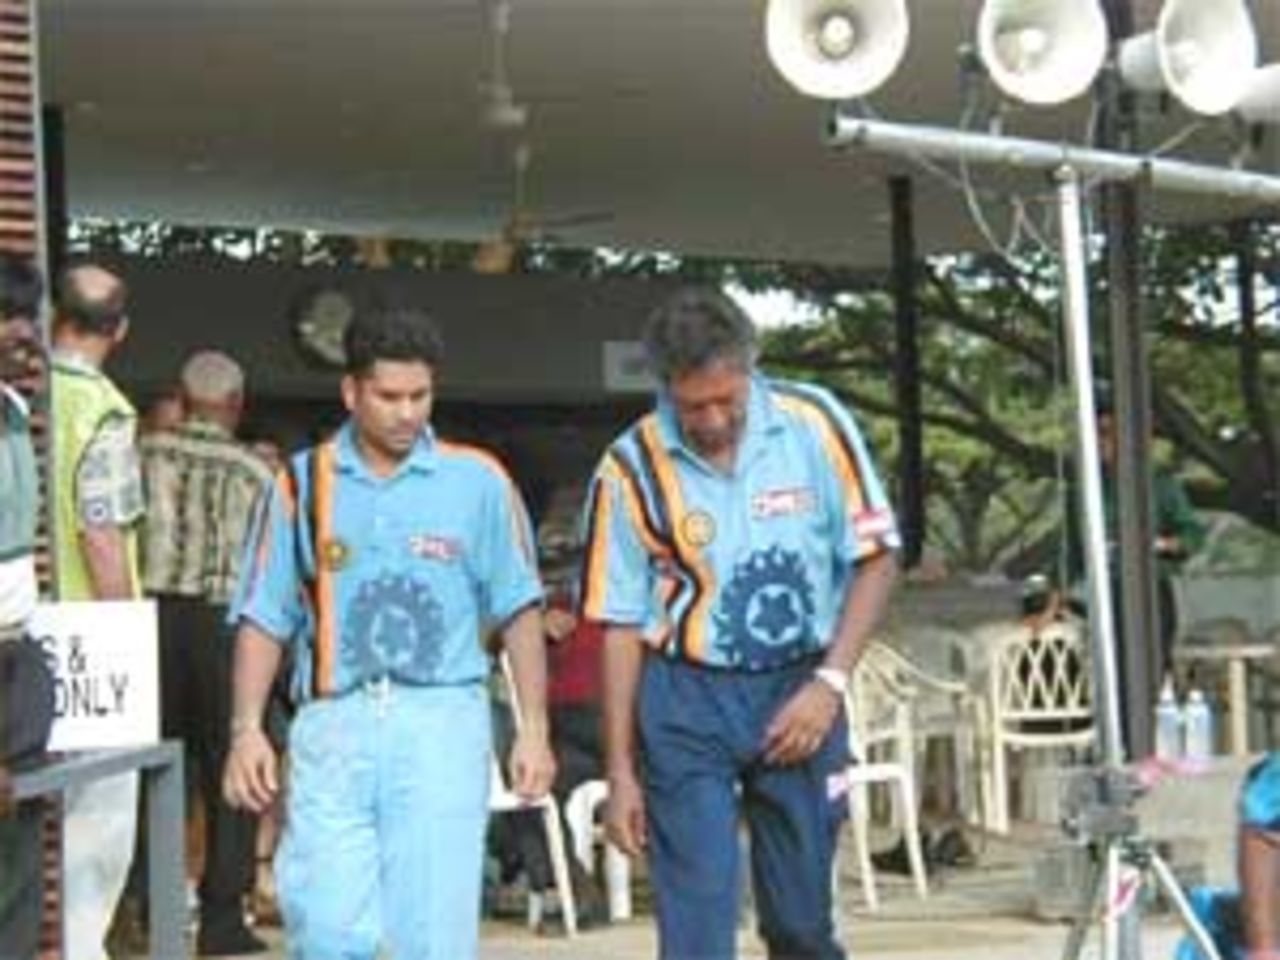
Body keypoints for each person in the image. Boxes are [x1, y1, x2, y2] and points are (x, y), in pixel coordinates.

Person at [222, 305, 556, 959]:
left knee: (431, 935)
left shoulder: (478, 481)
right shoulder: (300, 483)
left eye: (420, 396)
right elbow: (265, 612)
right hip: (333, 724)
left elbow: (520, 610)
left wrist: (534, 730)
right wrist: (246, 729)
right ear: (351, 392)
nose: (407, 413)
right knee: (323, 926)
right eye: (388, 397)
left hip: (443, 720)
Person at [583, 287, 900, 960]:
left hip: (800, 686)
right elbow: (616, 626)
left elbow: (877, 558)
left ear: (751, 368)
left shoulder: (815, 422)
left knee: (801, 925)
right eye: (695, 405)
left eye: (730, 398)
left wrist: (830, 683)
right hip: (686, 698)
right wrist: (621, 773)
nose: (715, 417)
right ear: (666, 386)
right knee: (696, 929)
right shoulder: (628, 467)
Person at [139, 349, 273, 954]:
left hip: (151, 620)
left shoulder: (145, 453)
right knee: (234, 768)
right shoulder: (254, 472)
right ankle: (222, 921)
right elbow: (273, 565)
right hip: (225, 627)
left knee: (149, 767)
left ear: (184, 398)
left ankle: (143, 910)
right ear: (236, 404)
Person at [50, 262, 145, 960]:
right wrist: (121, 634)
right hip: (89, 634)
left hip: (21, 626)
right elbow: (101, 528)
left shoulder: (23, 392)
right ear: (119, 331)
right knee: (98, 818)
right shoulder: (103, 409)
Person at [0, 252, 53, 960]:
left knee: (17, 853)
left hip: (18, 651)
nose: (21, 333)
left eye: (24, 317)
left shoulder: (16, 414)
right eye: (5, 318)